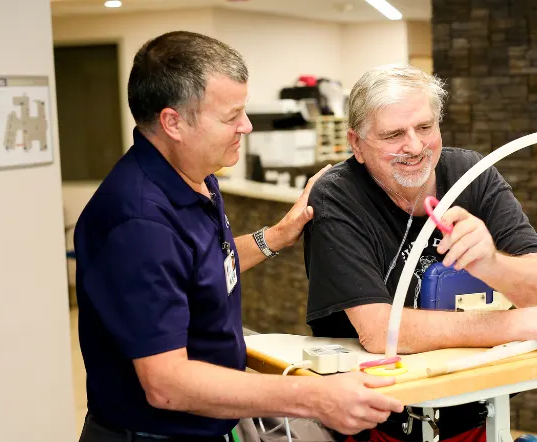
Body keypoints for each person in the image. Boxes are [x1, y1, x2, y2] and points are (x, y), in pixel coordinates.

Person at [73, 31, 403, 442]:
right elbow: (167, 383)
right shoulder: (139, 222)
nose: (246, 126)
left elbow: (203, 268)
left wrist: (277, 236)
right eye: (232, 117)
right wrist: (313, 396)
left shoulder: (196, 176)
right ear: (173, 122)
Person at [302, 64, 537, 441]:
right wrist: (515, 325)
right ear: (356, 144)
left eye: (425, 128)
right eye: (393, 135)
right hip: (381, 418)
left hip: (476, 404)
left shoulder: (471, 173)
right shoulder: (337, 197)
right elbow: (378, 330)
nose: (416, 147)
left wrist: (492, 264)